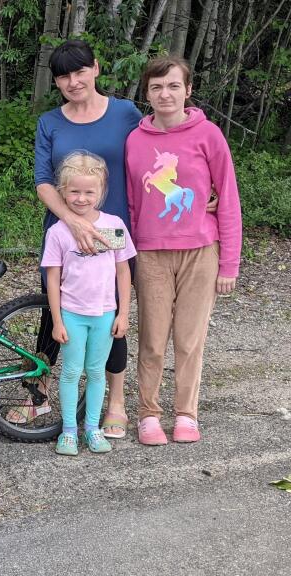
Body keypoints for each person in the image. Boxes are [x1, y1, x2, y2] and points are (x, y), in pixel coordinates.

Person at [29, 39, 143, 438]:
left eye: (79, 71)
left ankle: (115, 401)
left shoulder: (125, 113)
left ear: (96, 68)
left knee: (110, 312)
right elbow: (43, 182)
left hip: (114, 230)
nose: (73, 81)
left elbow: (155, 154)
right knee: (53, 309)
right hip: (63, 230)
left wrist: (202, 191)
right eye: (63, 76)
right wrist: (72, 222)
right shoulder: (50, 122)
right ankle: (39, 391)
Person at [125, 56, 242, 445]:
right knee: (153, 339)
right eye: (157, 87)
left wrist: (229, 264)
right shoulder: (136, 141)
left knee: (190, 339)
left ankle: (186, 413)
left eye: (174, 86)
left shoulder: (208, 135)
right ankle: (148, 413)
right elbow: (130, 201)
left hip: (200, 251)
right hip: (152, 253)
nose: (166, 94)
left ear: (188, 90)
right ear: (147, 93)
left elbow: (227, 198)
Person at [42, 152, 136, 455]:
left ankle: (92, 428)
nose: (81, 198)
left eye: (89, 192)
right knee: (71, 371)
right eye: (74, 191)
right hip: (71, 313)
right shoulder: (58, 231)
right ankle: (69, 430)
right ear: (62, 192)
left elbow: (124, 271)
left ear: (101, 191)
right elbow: (52, 280)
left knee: (96, 372)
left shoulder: (114, 225)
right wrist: (57, 321)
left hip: (105, 314)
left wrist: (123, 312)